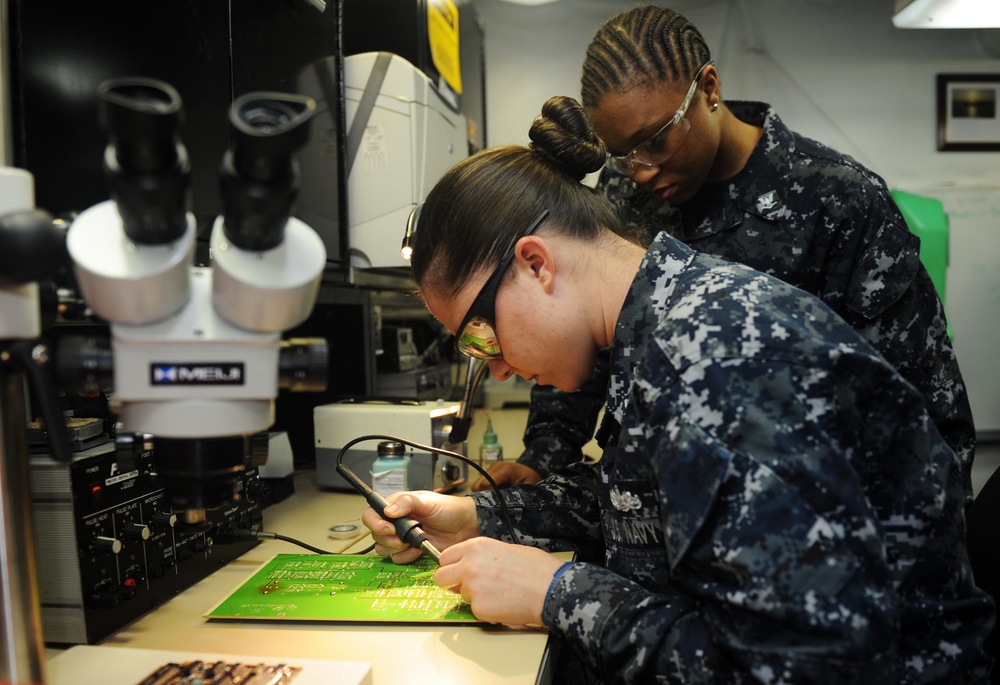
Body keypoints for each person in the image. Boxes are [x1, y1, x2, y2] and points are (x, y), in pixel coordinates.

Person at [362, 95, 994, 683]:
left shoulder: (716, 356)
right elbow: (654, 503)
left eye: (480, 334)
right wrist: (482, 518)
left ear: (535, 263)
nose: (495, 367)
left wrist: (560, 593)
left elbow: (802, 666)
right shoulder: (665, 320)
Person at [476, 4, 977, 507]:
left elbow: (924, 404)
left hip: (811, 522)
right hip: (669, 510)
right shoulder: (621, 198)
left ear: (709, 89)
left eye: (656, 140)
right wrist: (542, 456)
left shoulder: (836, 201)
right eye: (622, 154)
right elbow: (585, 334)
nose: (642, 170)